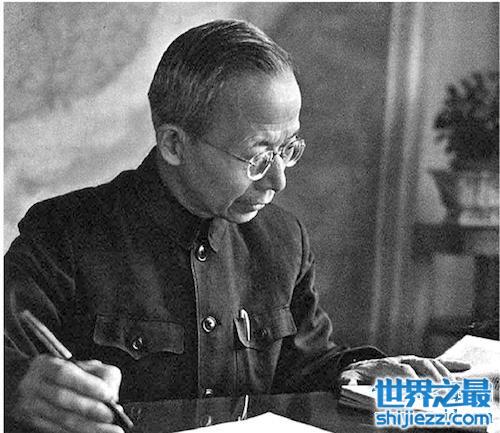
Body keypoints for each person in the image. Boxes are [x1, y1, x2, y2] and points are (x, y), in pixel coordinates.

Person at [4, 19, 468, 433]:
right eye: (257, 155)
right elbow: (9, 360)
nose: (278, 180)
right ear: (174, 144)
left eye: (287, 149)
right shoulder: (61, 234)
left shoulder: (284, 240)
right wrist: (19, 389)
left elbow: (305, 366)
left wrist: (359, 372)